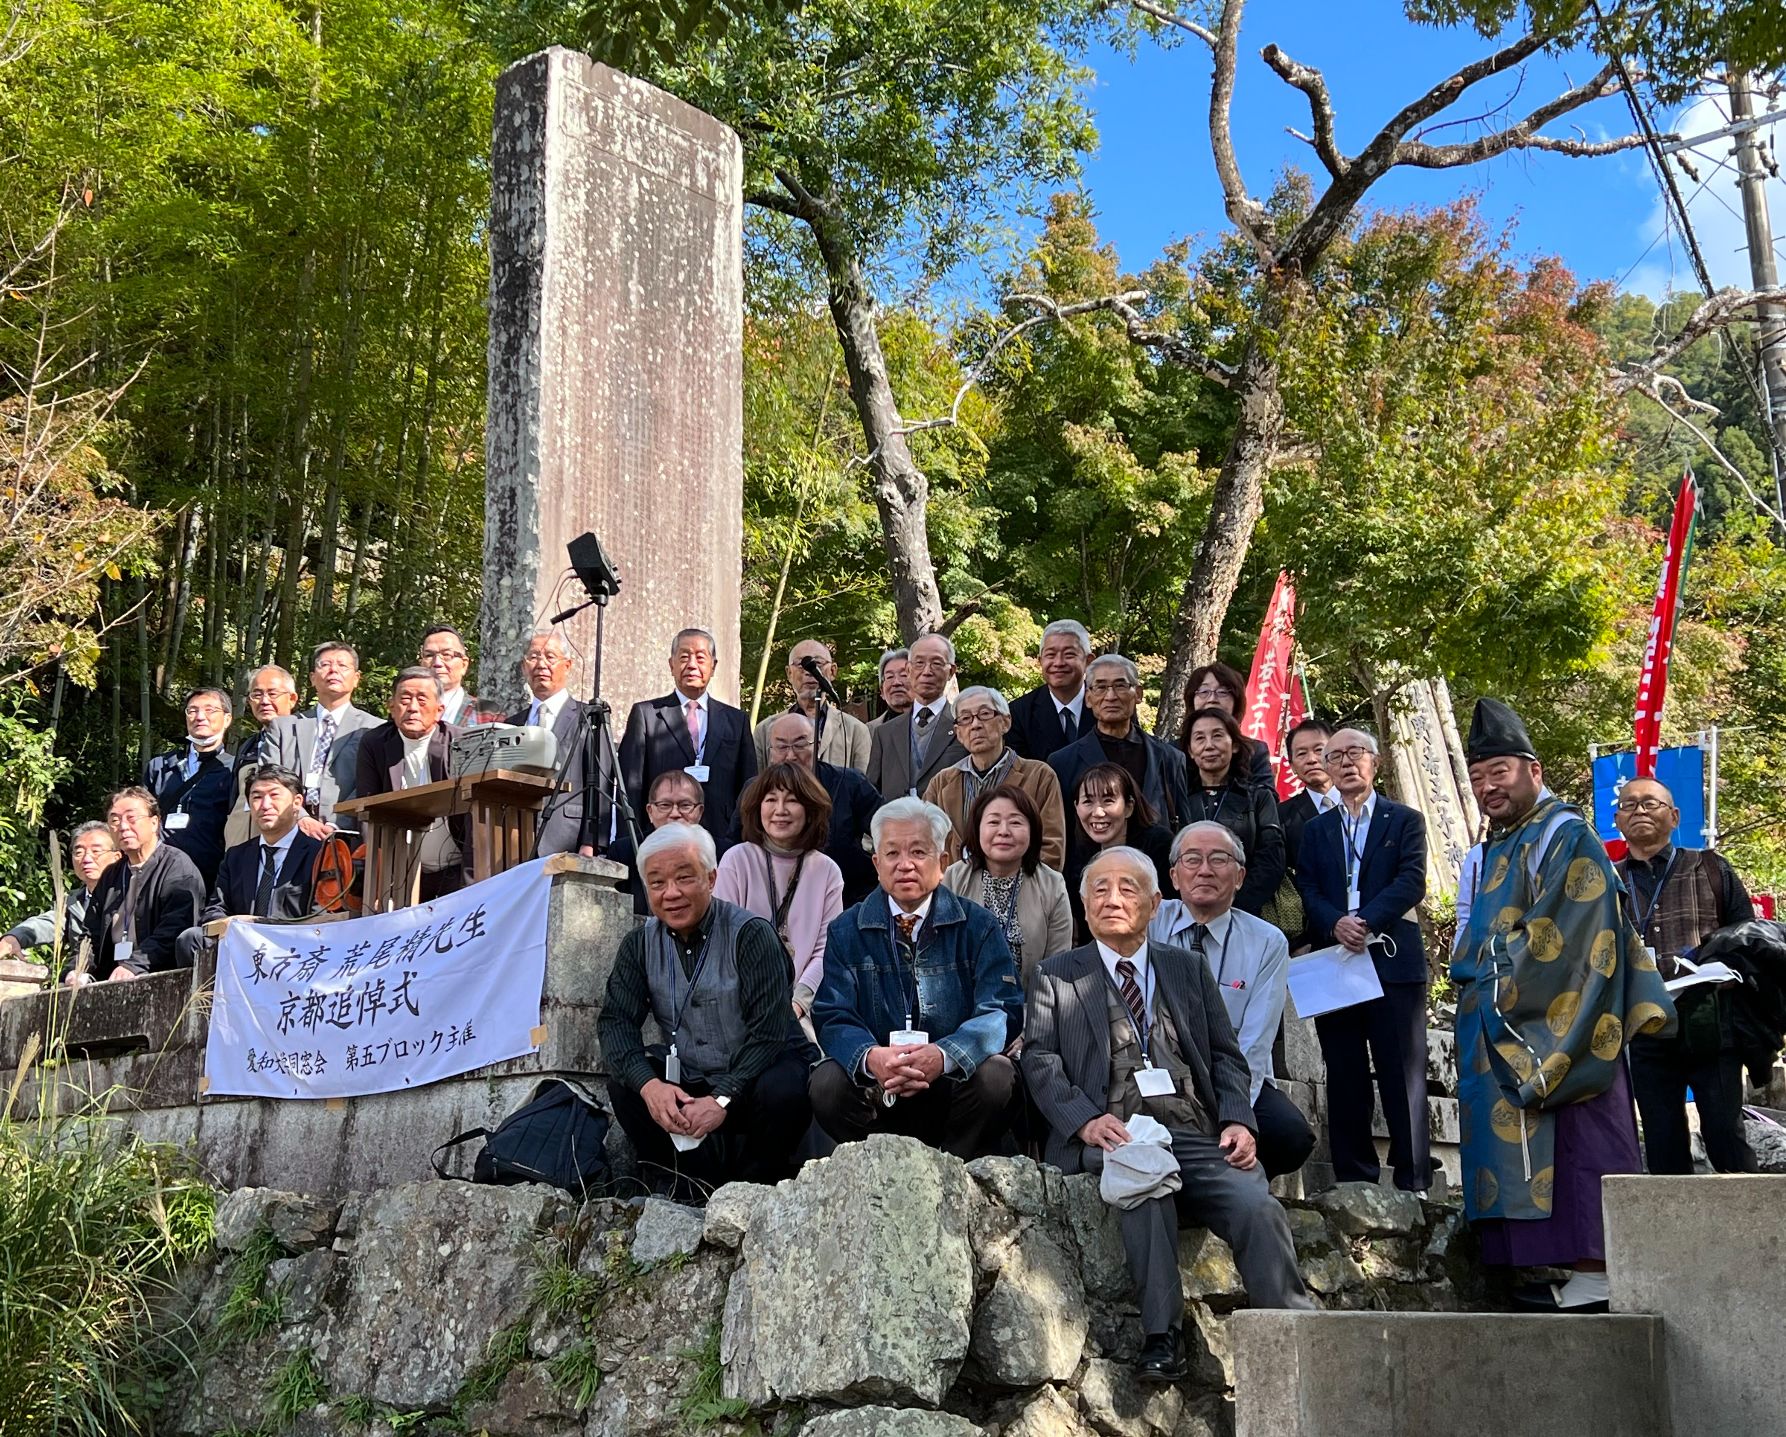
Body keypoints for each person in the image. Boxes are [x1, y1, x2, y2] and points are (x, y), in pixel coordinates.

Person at [1023, 845, 1314, 1383]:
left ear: (1156, 904)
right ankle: (1163, 1336)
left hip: (1193, 1128)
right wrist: (1085, 1120)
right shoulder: (1057, 974)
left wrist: (1237, 1120)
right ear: (1082, 904)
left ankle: (1294, 1330)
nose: (1112, 899)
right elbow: (1039, 1059)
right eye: (1100, 889)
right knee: (1143, 1180)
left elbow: (1226, 1055)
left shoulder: (1187, 967)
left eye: (1128, 889)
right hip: (1113, 1129)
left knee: (1255, 1203)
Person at [1454, 698, 1674, 1313]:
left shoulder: (1564, 832)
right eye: (1477, 778)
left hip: (1566, 1016)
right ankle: (1536, 1262)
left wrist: (1486, 964)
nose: (1488, 787)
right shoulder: (1497, 843)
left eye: (1499, 772)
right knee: (1513, 1136)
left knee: (1579, 1131)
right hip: (1504, 1009)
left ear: (1534, 770)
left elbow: (1573, 928)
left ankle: (1598, 1269)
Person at [598, 823, 813, 1198]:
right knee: (626, 1080)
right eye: (657, 883)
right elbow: (616, 1023)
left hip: (755, 1073)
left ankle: (756, 1186)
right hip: (694, 1075)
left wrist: (723, 1097)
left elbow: (770, 1033)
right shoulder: (639, 944)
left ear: (711, 878)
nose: (671, 893)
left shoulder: (751, 934)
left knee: (783, 1088)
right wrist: (650, 1087)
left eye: (684, 878)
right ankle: (686, 1181)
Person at [809, 797, 1022, 1159]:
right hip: (881, 1085)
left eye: (918, 852)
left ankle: (955, 1169)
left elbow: (1001, 1010)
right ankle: (872, 1165)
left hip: (953, 1080)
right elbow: (832, 1013)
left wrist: (944, 1055)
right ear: (876, 864)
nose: (905, 865)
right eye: (892, 854)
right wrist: (872, 1057)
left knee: (998, 1075)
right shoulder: (847, 929)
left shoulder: (979, 926)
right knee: (826, 1083)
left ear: (942, 863)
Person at [1294, 726, 1433, 1192]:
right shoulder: (1316, 830)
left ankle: (1414, 1175)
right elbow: (1307, 888)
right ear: (1326, 769)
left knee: (1403, 1068)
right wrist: (1336, 923)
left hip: (1390, 955)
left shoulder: (1405, 820)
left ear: (1375, 762)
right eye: (1335, 757)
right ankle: (1354, 1177)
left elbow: (1412, 880)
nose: (1346, 762)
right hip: (1335, 960)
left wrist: (1367, 920)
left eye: (1356, 753)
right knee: (1344, 1069)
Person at [1149, 822, 1314, 1179]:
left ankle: (1236, 1182)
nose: (1205, 869)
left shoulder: (1267, 942)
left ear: (1239, 877)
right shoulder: (1150, 922)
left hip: (1230, 1075)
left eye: (1218, 859)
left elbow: (1255, 1043)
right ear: (1174, 877)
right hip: (1162, 1070)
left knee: (1290, 1135)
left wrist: (1234, 1109)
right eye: (1192, 859)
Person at [1613, 775, 1756, 1175]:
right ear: (1618, 821)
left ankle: (1754, 1228)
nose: (1639, 810)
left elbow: (1748, 936)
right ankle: (1673, 1234)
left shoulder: (1709, 867)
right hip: (1644, 1025)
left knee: (1725, 1130)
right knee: (1660, 1137)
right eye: (1629, 805)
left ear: (1674, 817)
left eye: (1651, 803)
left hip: (1710, 1021)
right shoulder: (1606, 882)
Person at [716, 762, 846, 1039]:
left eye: (792, 801)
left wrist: (797, 1003)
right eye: (771, 799)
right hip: (740, 1007)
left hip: (802, 1008)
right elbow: (722, 942)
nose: (780, 810)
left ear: (810, 809)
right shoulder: (737, 860)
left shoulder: (826, 871)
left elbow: (827, 950)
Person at [621, 627, 757, 843]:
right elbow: (631, 784)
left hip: (721, 837)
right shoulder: (646, 715)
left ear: (713, 666)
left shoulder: (736, 720)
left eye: (700, 657)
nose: (692, 665)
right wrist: (630, 840)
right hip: (659, 835)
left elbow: (749, 785)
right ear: (671, 665)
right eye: (684, 657)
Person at [176, 765, 322, 965]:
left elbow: (321, 918)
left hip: (292, 949)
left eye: (274, 795)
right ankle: (208, 997)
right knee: (191, 939)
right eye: (256, 797)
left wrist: (257, 928)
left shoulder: (320, 854)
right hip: (240, 943)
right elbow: (215, 909)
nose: (265, 805)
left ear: (297, 802)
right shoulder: (236, 856)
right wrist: (238, 930)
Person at [924, 685, 1067, 869]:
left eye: (984, 714)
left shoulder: (1039, 776)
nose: (975, 725)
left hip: (1021, 891)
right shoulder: (941, 783)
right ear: (958, 732)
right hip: (956, 892)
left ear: (1005, 723)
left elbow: (1051, 849)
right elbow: (927, 844)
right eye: (966, 718)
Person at [748, 711, 883, 905]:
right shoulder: (755, 790)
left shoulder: (849, 783)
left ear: (817, 745)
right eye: (781, 746)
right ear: (770, 751)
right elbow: (738, 838)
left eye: (800, 744)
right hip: (771, 899)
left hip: (847, 897)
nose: (791, 755)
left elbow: (885, 829)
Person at [942, 782, 1073, 980]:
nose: (1004, 831)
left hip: (1032, 1006)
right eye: (993, 822)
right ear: (977, 830)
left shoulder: (1052, 885)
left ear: (1032, 831)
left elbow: (1059, 965)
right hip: (965, 1006)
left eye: (1015, 822)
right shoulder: (952, 879)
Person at [355, 668, 467, 899]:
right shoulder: (375, 743)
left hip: (457, 864)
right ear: (391, 707)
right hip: (401, 869)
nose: (413, 708)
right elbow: (367, 807)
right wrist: (381, 864)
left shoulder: (459, 741)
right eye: (405, 699)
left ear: (439, 710)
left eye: (422, 699)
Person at [1049, 655, 1190, 834]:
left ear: (1138, 694)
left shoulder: (1169, 758)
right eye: (1100, 687)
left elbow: (1183, 831)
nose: (1110, 696)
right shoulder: (1063, 762)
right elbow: (1059, 833)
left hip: (1155, 859)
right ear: (1088, 698)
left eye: (1120, 686)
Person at [76, 787, 205, 982]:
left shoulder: (177, 867)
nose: (123, 827)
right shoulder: (112, 874)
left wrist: (134, 965)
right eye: (114, 820)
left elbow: (175, 930)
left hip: (160, 975)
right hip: (111, 976)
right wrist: (77, 969)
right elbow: (90, 934)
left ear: (154, 822)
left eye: (131, 818)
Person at [261, 641, 382, 835]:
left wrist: (336, 824)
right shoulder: (283, 727)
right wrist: (301, 817)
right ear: (312, 678)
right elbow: (269, 777)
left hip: (345, 836)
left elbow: (370, 784)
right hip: (288, 829)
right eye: (325, 665)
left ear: (357, 678)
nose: (333, 670)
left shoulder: (374, 729)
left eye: (342, 666)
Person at [1182, 706, 1286, 918]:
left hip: (1245, 913)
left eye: (1218, 736)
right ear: (1190, 750)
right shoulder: (1177, 798)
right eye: (1199, 738)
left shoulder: (1258, 798)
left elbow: (1271, 859)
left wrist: (1233, 905)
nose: (1209, 746)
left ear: (1235, 745)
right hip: (1185, 911)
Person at [508, 630, 598, 857]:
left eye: (550, 656)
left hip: (568, 838)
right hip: (516, 841)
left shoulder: (587, 717)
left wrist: (592, 841)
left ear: (567, 665)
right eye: (534, 656)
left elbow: (598, 783)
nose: (541, 664)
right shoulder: (512, 725)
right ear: (523, 667)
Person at [1063, 763, 1174, 943]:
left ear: (1129, 806)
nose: (1098, 812)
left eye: (1108, 801)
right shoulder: (1074, 851)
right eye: (1087, 802)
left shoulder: (1158, 845)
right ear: (1076, 807)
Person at [143, 686, 237, 886]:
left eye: (210, 710)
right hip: (158, 872)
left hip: (210, 874)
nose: (200, 716)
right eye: (192, 711)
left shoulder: (234, 770)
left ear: (227, 719)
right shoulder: (161, 766)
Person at [2, 821, 119, 970]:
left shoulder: (129, 894)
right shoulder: (75, 902)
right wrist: (14, 937)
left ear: (117, 856)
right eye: (79, 852)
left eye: (96, 851)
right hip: (81, 979)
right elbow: (51, 922)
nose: (86, 859)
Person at [866, 632, 967, 799]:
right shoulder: (885, 733)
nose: (927, 671)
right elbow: (872, 793)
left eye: (936, 663)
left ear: (951, 671)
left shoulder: (964, 725)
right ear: (909, 669)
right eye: (919, 663)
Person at [752, 639, 872, 772]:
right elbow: (757, 786)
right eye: (801, 664)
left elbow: (864, 785)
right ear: (789, 673)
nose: (809, 672)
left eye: (817, 664)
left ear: (833, 671)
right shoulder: (765, 730)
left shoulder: (854, 730)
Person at [610, 769, 708, 916]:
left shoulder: (720, 853)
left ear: (699, 812)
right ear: (650, 811)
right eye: (665, 805)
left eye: (685, 805)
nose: (675, 814)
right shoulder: (624, 851)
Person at [224, 665, 301, 847]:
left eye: (273, 694)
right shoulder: (249, 744)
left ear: (292, 699)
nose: (264, 701)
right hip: (240, 844)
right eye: (257, 695)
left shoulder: (303, 741)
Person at [1007, 619, 1095, 761]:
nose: (1059, 663)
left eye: (1069, 654)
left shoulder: (1108, 704)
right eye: (1051, 655)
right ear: (1040, 661)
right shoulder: (1019, 713)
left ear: (1088, 661)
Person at [1180, 662, 1275, 787]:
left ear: (1236, 701)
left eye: (1222, 692)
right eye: (1203, 691)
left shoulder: (1254, 751)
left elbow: (1267, 799)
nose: (1212, 699)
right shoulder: (1172, 752)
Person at [418, 624, 478, 726]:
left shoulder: (486, 713)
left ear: (464, 665)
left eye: (446, 655)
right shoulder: (406, 710)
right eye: (429, 655)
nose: (437, 663)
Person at [868, 648, 911, 730]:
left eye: (904, 675)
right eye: (889, 677)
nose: (896, 682)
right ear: (882, 692)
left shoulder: (936, 724)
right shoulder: (869, 731)